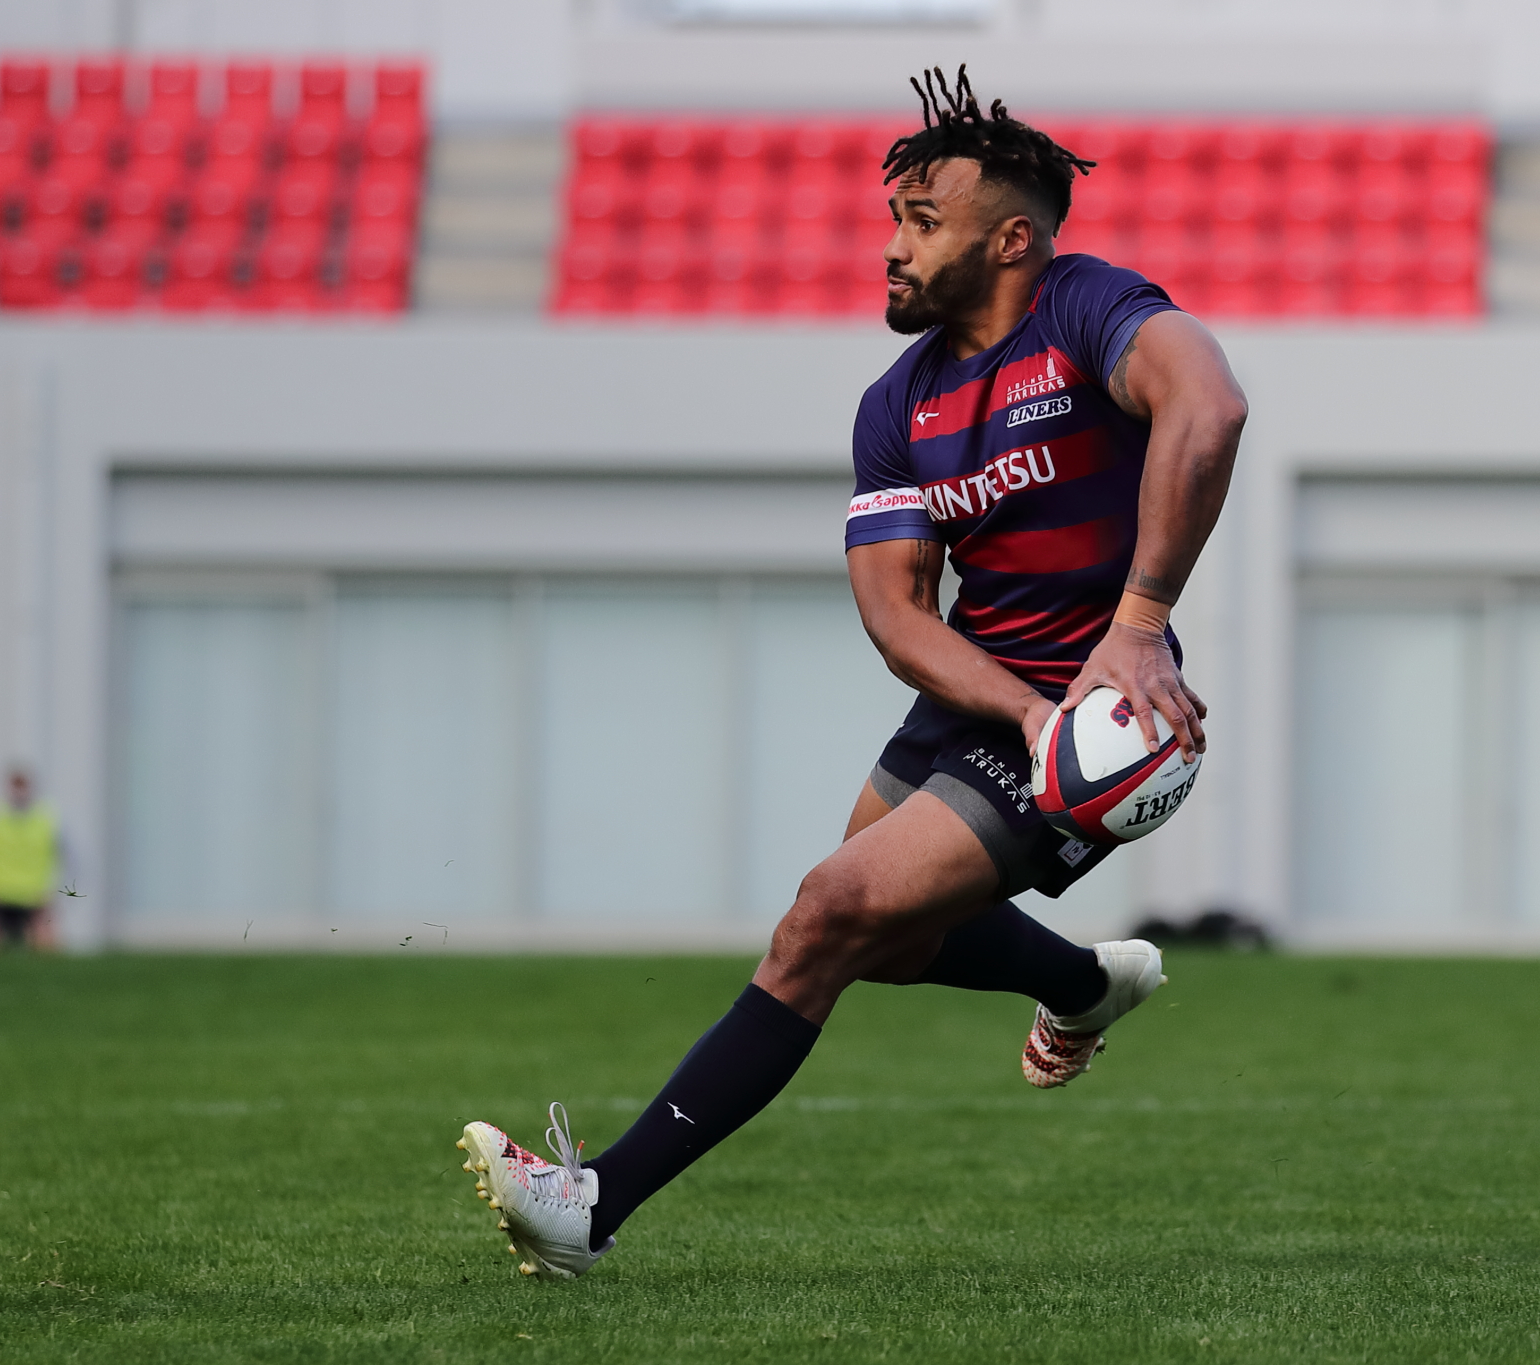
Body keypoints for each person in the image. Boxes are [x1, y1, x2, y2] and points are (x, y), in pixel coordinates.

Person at [459, 66, 1248, 1279]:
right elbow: (893, 615)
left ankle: (592, 1205)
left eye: (923, 223)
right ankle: (1084, 981)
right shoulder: (899, 402)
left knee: (826, 916)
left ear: (1012, 242)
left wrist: (1138, 626)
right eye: (895, 219)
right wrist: (1024, 711)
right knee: (881, 938)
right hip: (989, 699)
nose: (893, 247)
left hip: (1105, 713)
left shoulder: (1089, 308)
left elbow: (1211, 406)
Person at [0, 766, 63, 949]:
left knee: (46, 944)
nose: (19, 793)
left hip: (35, 894)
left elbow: (66, 856)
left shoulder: (46, 819)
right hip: (0, 892)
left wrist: (55, 887)